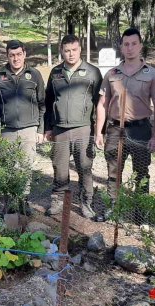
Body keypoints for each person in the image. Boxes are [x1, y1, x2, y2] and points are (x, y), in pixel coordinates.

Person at [94, 28, 155, 221]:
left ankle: (140, 216)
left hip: (141, 129)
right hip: (115, 129)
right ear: (121, 47)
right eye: (126, 44)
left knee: (141, 173)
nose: (130, 48)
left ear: (140, 46)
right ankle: (113, 209)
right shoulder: (111, 74)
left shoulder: (153, 75)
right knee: (113, 173)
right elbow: (102, 104)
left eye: (134, 43)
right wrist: (98, 131)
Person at [44, 34, 102, 219]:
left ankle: (86, 203)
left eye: (74, 50)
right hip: (60, 129)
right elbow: (48, 100)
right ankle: (58, 200)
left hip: (83, 128)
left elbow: (100, 103)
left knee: (84, 167)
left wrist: (99, 131)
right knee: (59, 167)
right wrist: (48, 127)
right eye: (67, 50)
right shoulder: (55, 73)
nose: (70, 54)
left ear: (80, 50)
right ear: (61, 51)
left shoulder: (92, 72)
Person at [0, 39, 46, 213]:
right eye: (11, 55)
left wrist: (41, 129)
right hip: (6, 129)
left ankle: (23, 202)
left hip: (29, 129)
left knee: (25, 167)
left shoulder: (35, 74)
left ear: (25, 54)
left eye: (19, 54)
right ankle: (9, 204)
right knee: (7, 167)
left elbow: (42, 103)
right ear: (7, 56)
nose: (15, 59)